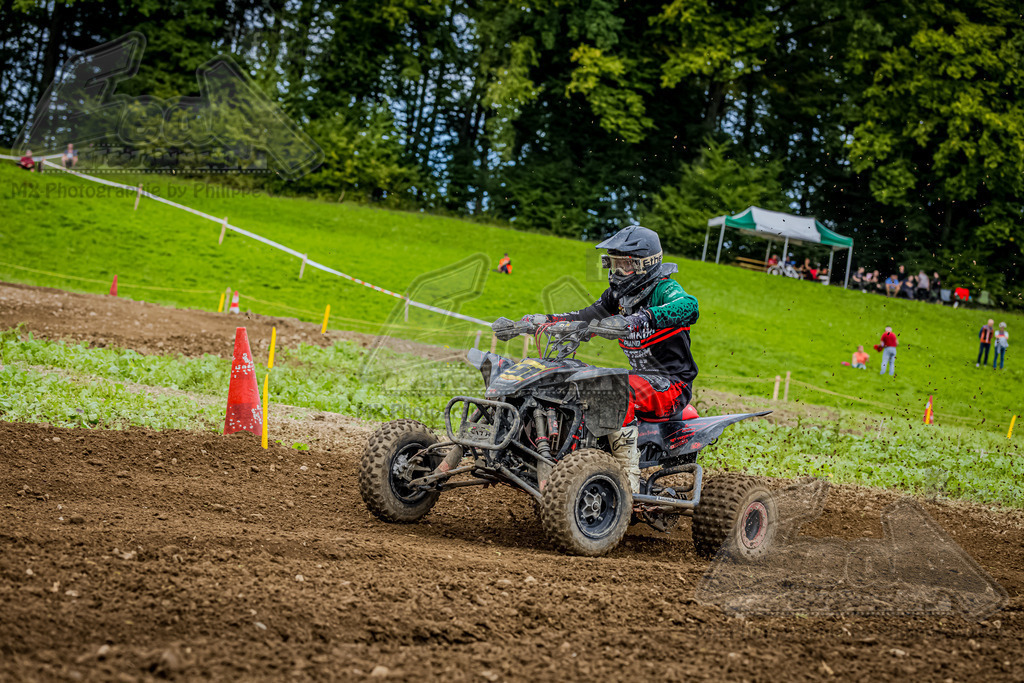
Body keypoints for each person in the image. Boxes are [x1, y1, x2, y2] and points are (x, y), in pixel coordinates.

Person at [515, 225, 698, 493]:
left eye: (624, 264)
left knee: (612, 388)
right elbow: (588, 315)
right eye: (612, 264)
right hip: (641, 380)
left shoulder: (665, 289)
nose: (616, 272)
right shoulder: (618, 296)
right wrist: (545, 320)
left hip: (671, 385)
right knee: (574, 381)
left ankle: (628, 480)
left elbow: (689, 306)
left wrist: (642, 318)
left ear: (645, 264)